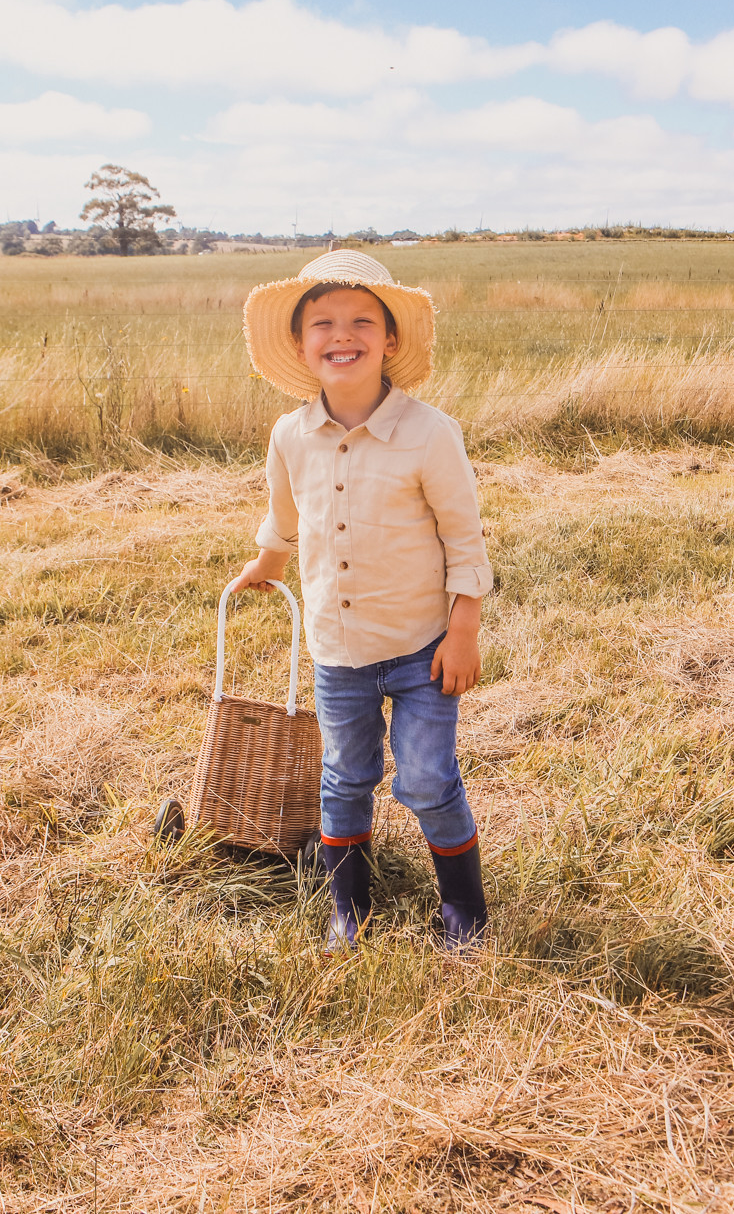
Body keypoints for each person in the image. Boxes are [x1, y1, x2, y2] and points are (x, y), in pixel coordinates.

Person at [230, 250, 493, 951]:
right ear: (299, 342)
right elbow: (286, 515)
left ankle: (464, 907)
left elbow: (464, 539)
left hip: (422, 648)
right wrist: (266, 558)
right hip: (338, 650)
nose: (341, 334)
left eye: (360, 321)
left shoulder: (429, 434)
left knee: (431, 777)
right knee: (345, 776)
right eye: (322, 322)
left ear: (390, 339)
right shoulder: (290, 436)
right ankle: (349, 907)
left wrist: (462, 630)